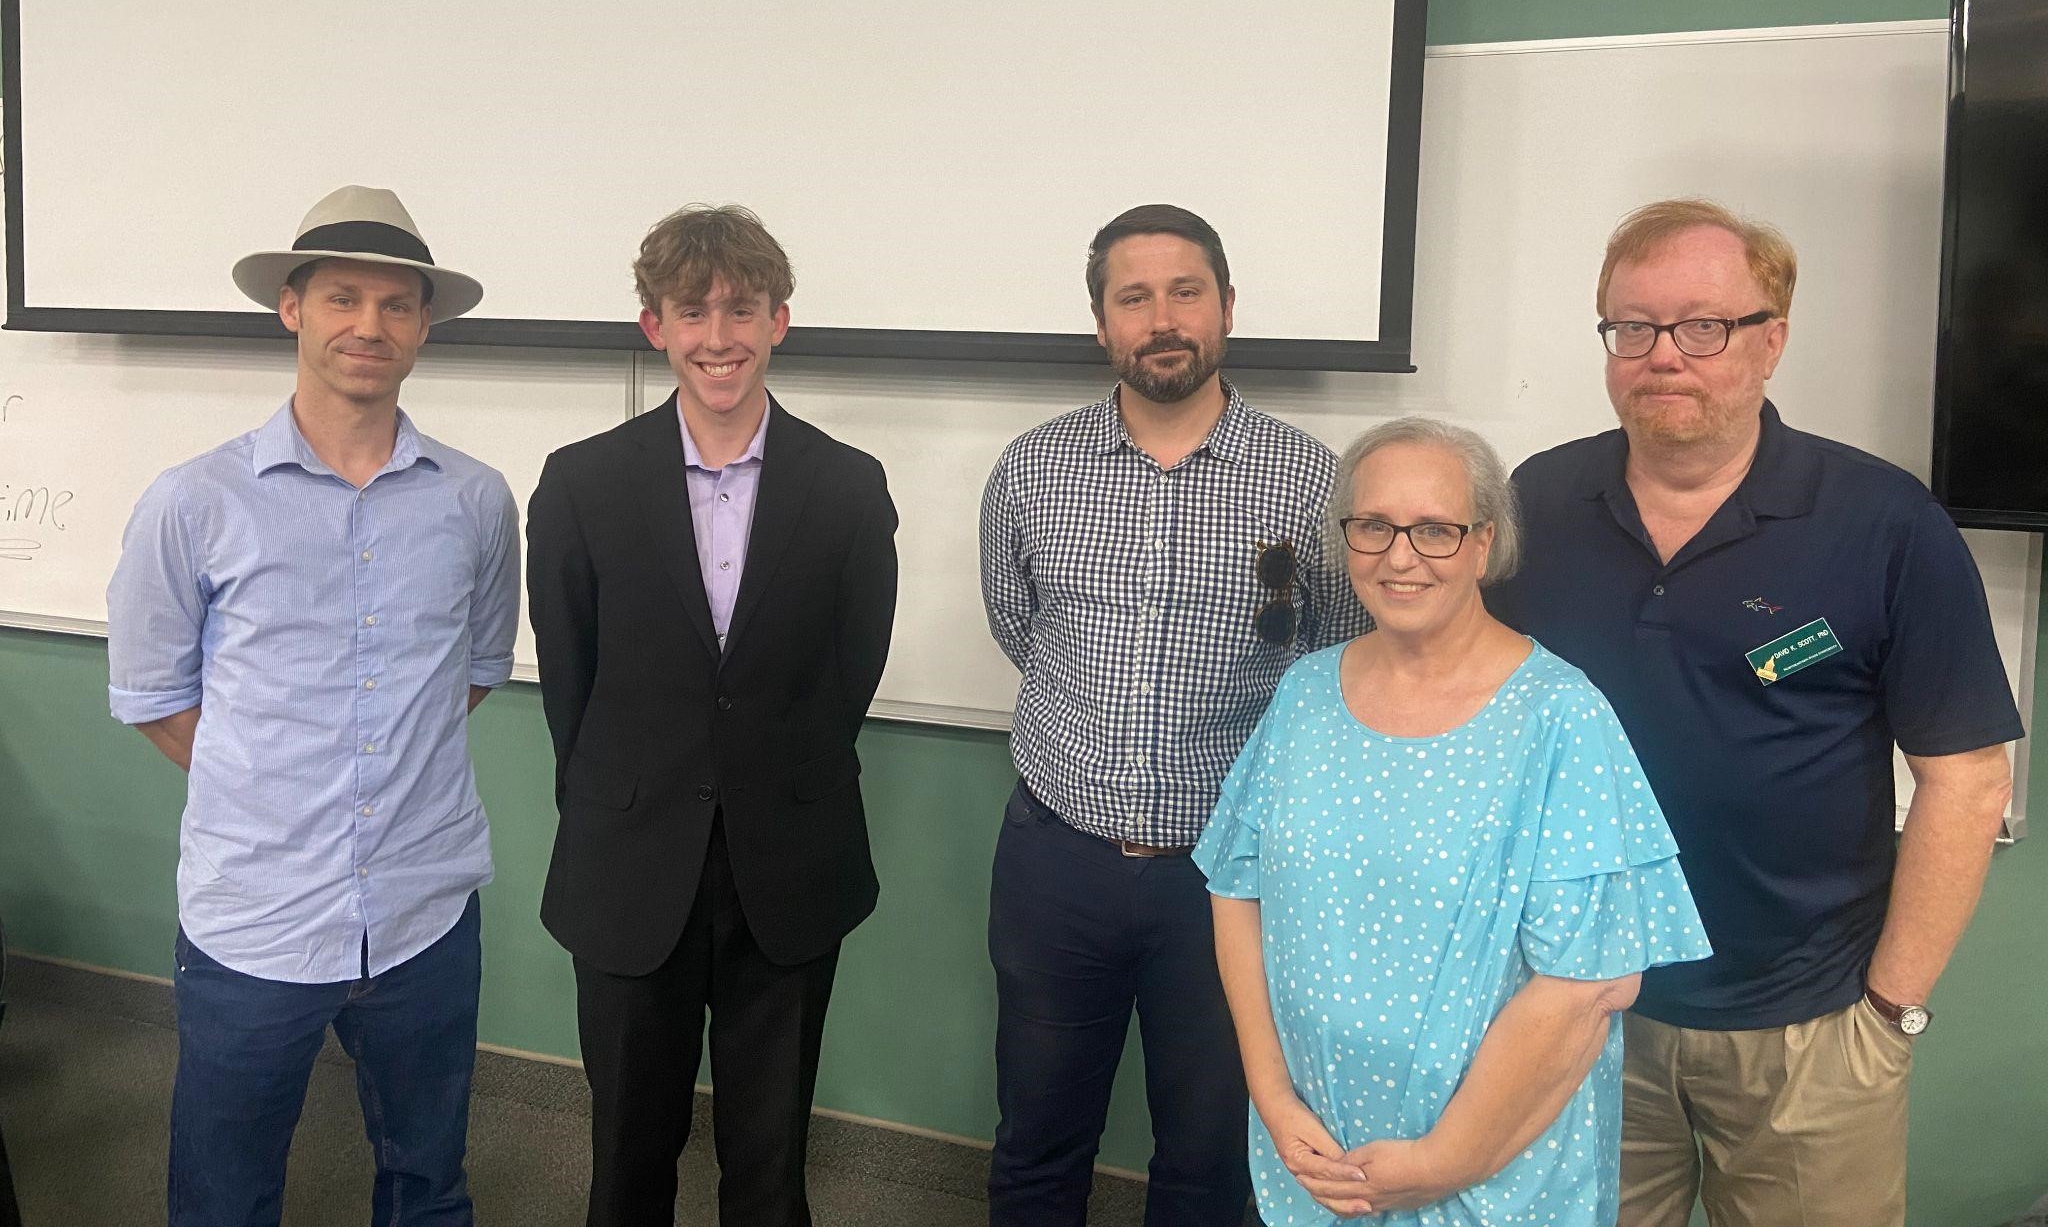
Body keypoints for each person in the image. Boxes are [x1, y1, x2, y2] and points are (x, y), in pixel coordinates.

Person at [1488, 199, 2021, 1227]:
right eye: (1630, 327)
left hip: (1809, 1031)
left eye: (1701, 326)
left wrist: (1885, 1011)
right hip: (1579, 1008)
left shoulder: (1881, 522)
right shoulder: (1537, 504)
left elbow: (1965, 776)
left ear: (1768, 339)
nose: (1662, 356)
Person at [107, 186, 518, 1227]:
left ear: (424, 326)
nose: (367, 327)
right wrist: (275, 780)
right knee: (224, 1196)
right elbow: (156, 696)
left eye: (395, 305)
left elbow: (467, 674)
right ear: (291, 309)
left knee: (427, 1185)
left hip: (425, 914)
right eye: (342, 298)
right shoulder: (194, 502)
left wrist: (374, 777)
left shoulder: (475, 501)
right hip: (256, 918)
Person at [1197, 417, 1710, 1226]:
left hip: (1489, 1174)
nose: (1400, 557)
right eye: (1373, 527)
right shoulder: (1303, 695)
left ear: (1483, 544)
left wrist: (1445, 1162)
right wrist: (1271, 1097)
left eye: (1435, 530)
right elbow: (1237, 889)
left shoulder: (1560, 718)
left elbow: (1593, 984)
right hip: (1316, 1151)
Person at [977, 203, 1369, 1226]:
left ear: (1227, 308)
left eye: (1185, 291)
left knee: (1207, 1160)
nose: (1161, 318)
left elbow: (1329, 665)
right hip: (1055, 859)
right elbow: (1021, 627)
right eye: (1133, 296)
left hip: (1229, 879)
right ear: (1101, 323)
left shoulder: (1310, 482)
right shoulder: (1029, 471)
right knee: (1034, 1141)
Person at [526, 204, 898, 1227]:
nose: (718, 337)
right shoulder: (581, 483)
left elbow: (844, 679)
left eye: (742, 309)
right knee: (626, 1151)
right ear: (654, 326)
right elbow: (574, 679)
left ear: (781, 319)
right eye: (692, 312)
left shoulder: (848, 489)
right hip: (629, 858)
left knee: (769, 1161)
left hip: (787, 860)